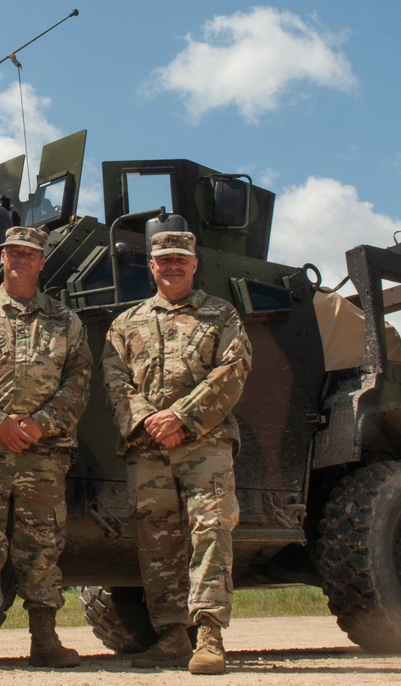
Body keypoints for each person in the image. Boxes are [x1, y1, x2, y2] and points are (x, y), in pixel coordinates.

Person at [101, 230, 251, 675]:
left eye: (179, 259)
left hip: (204, 443)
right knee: (156, 541)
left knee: (210, 531)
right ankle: (171, 636)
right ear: (151, 266)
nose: (171, 266)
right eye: (163, 259)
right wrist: (150, 418)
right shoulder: (127, 323)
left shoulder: (221, 315)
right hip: (148, 448)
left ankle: (209, 636)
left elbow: (234, 369)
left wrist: (182, 417)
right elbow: (114, 379)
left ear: (193, 265)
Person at [0, 226, 93, 668]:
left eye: (30, 254)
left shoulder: (65, 320)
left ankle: (44, 640)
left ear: (41, 261)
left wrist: (41, 423)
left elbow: (79, 379)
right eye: (14, 252)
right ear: (1, 257)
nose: (21, 260)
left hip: (44, 451)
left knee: (43, 543)